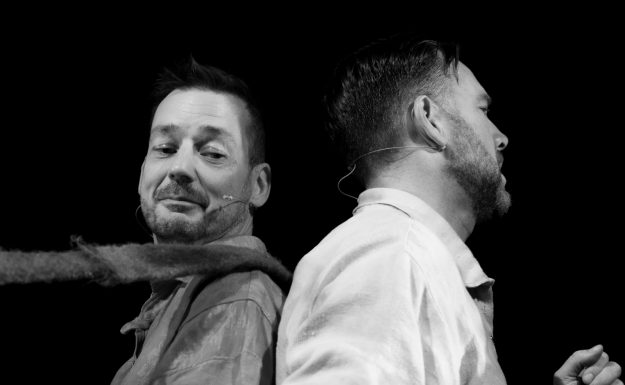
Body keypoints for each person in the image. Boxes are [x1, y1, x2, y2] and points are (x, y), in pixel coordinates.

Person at [276, 36, 622, 384]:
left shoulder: (401, 254)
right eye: (483, 110)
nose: (501, 137)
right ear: (430, 119)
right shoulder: (393, 255)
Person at [110, 58, 288, 384]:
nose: (179, 168)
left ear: (258, 185)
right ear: (142, 173)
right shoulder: (184, 297)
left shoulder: (233, 295)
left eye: (213, 153)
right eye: (165, 148)